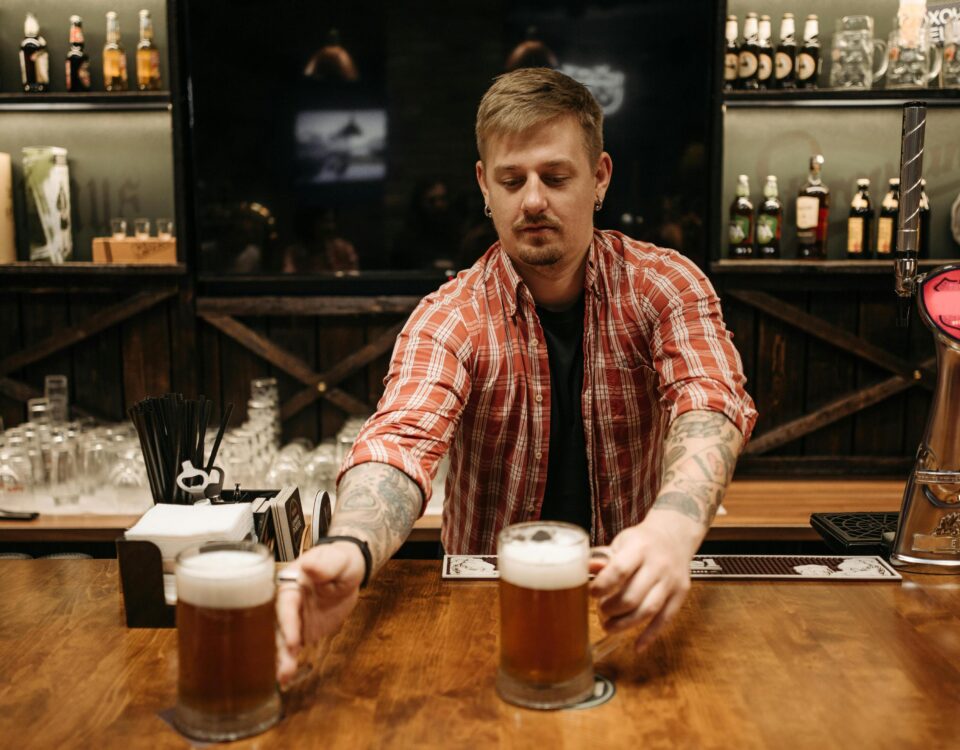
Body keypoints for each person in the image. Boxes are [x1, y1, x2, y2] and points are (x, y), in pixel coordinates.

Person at [276, 68, 757, 685]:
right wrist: (350, 548)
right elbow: (401, 439)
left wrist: (671, 532)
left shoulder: (664, 285)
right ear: (484, 186)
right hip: (488, 610)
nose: (533, 200)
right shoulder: (450, 316)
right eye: (512, 180)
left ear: (600, 177)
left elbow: (709, 399)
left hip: (633, 592)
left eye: (556, 177)